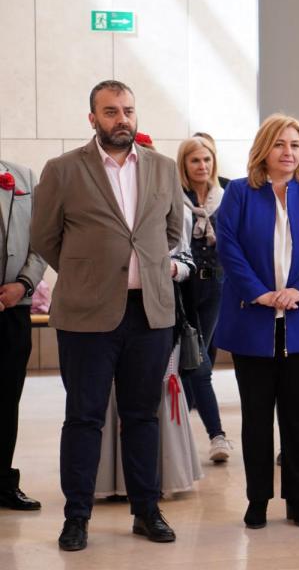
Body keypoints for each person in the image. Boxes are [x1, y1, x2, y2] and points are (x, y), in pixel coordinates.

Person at [31, 79, 184, 551]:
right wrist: (87, 275)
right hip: (86, 317)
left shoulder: (162, 167)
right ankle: (76, 517)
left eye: (129, 111)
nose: (122, 119)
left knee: (143, 417)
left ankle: (146, 510)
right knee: (84, 417)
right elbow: (44, 238)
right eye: (112, 111)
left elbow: (173, 231)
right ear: (92, 117)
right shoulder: (63, 169)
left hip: (150, 314)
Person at [215, 114, 299, 529]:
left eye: (295, 145)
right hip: (253, 322)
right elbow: (229, 249)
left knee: (297, 418)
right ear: (263, 149)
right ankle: (257, 500)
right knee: (255, 419)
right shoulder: (238, 192)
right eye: (280, 144)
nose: (289, 152)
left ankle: (298, 500)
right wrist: (259, 292)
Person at [95, 210, 203, 497]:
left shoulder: (169, 206)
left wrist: (169, 268)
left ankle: (160, 480)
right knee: (107, 397)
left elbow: (186, 260)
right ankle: (112, 483)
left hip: (160, 315)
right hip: (104, 313)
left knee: (157, 396)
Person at [176, 136, 232, 463]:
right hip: (181, 286)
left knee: (197, 359)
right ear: (184, 164)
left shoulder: (224, 197)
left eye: (207, 160)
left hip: (215, 285)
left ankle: (183, 438)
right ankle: (217, 435)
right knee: (197, 362)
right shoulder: (175, 197)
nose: (202, 166)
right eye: (195, 160)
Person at [0, 159, 46, 512]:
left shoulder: (24, 177)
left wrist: (23, 285)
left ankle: (3, 483)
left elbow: (43, 239)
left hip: (13, 306)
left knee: (6, 399)